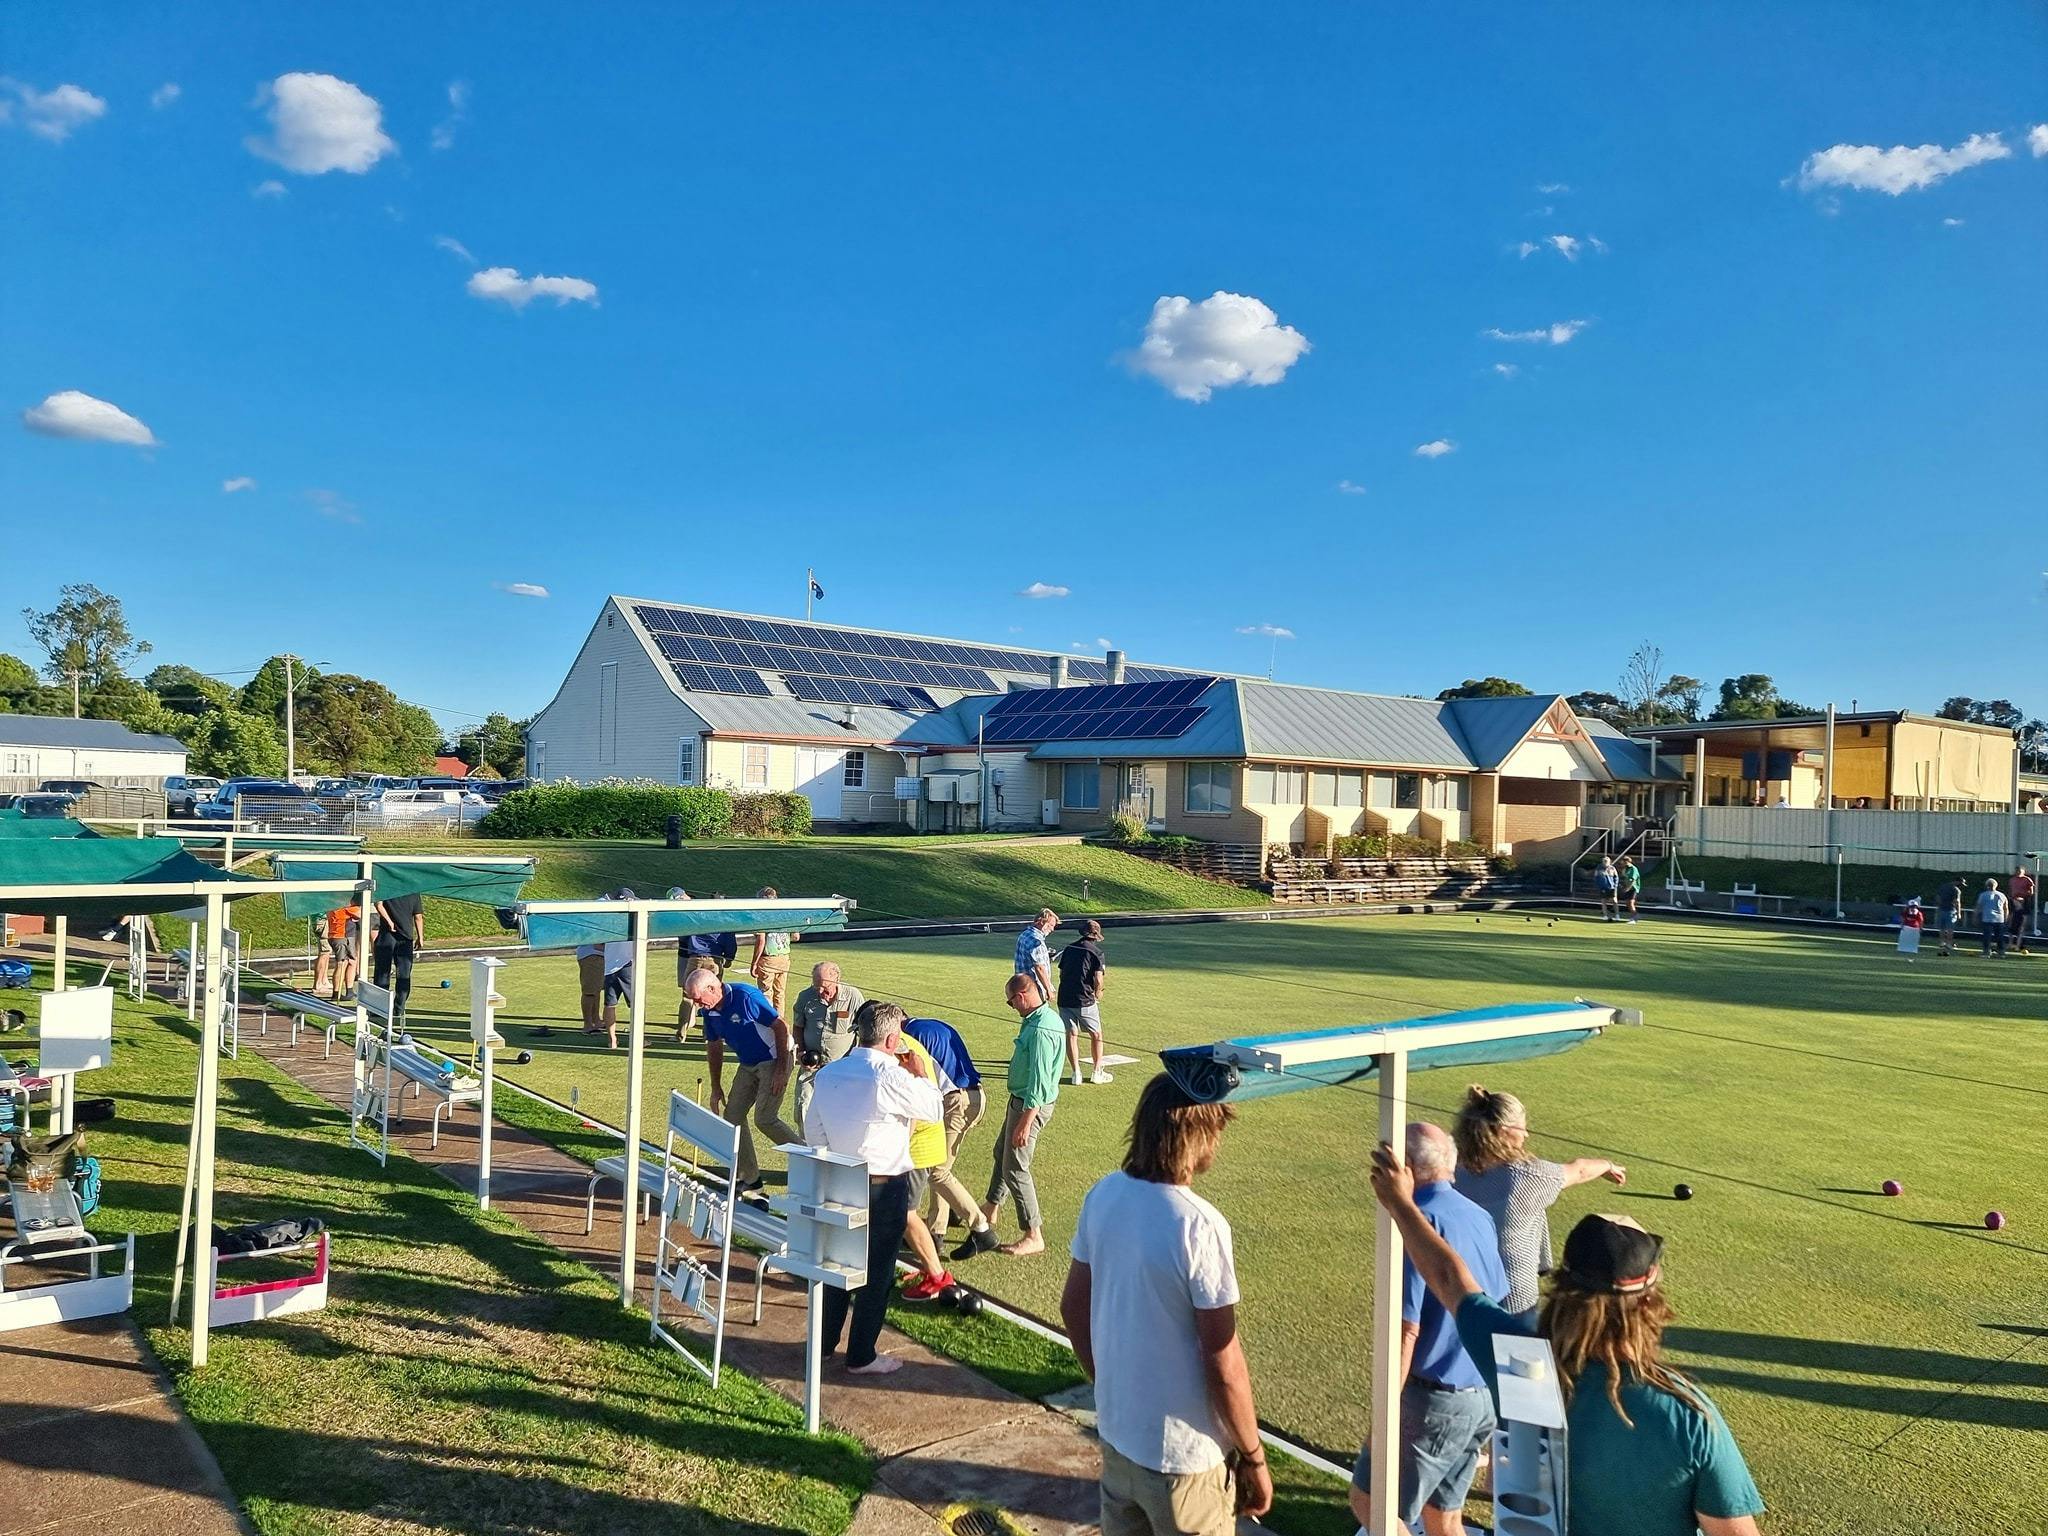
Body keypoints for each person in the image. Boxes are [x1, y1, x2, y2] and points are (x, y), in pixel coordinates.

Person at [1368, 1141, 1766, 1536]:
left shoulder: (1520, 1358)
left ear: (1563, 1285)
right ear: (1649, 1304)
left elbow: (1449, 1279)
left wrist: (1401, 1202)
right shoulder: (1688, 1414)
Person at [1060, 1073, 1272, 1534]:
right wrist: (1254, 1456)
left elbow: (1072, 1308)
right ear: (1199, 1134)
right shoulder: (1199, 1225)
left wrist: (1108, 1383)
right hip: (1186, 1458)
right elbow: (1223, 1360)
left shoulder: (1104, 1194)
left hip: (1119, 1441)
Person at [1348, 1123, 1506, 1536]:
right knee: (1444, 1516)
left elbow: (1406, 1332)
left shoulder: (1416, 1228)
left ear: (1406, 1167)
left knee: (1372, 1506)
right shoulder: (1478, 1216)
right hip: (1482, 1397)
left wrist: (1381, 1420)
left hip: (1434, 1403)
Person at [802, 1000, 943, 1375]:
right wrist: (919, 1074)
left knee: (837, 1267)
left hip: (839, 1176)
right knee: (876, 1271)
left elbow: (812, 1129)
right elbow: (933, 1108)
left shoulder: (830, 1073)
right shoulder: (891, 1075)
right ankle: (861, 1353)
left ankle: (824, 1343)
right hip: (883, 1183)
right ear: (893, 1039)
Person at [1452, 1085, 1625, 1327]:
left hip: (1460, 1290)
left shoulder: (1451, 1167)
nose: (1526, 1135)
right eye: (1522, 1128)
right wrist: (1607, 1165)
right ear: (1504, 1131)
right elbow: (1580, 1169)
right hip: (1514, 1296)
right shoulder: (1526, 1177)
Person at [967, 971, 1064, 1258]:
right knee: (1002, 1153)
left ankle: (1034, 1233)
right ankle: (991, 1207)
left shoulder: (1041, 1029)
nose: (1012, 1007)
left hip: (1029, 1104)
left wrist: (1026, 1120)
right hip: (1020, 1100)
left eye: (1011, 1002)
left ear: (1022, 996)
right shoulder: (1036, 1020)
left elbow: (1040, 1079)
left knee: (1016, 1167)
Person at [692, 966, 801, 1196]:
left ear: (712, 988)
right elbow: (714, 1045)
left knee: (765, 1118)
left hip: (774, 1058)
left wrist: (781, 1070)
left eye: (698, 999)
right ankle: (751, 1180)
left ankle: (810, 1160)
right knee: (732, 1117)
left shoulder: (746, 997)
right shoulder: (709, 1011)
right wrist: (715, 1086)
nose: (697, 1005)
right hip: (748, 1063)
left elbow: (780, 1027)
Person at [904, 1015, 996, 1254]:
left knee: (937, 1171)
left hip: (956, 1100)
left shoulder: (910, 1037)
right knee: (941, 1166)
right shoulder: (931, 1024)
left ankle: (980, 1227)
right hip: (972, 1096)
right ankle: (937, 1231)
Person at [892, 1024, 959, 1301]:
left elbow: (914, 1105)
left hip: (917, 1147)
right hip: (920, 1143)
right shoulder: (907, 1043)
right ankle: (926, 1268)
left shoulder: (901, 1049)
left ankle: (937, 1276)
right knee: (901, 1213)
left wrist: (899, 1145)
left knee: (905, 1213)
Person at [793, 961, 867, 1123]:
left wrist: (858, 1061)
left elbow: (863, 1031)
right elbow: (798, 1027)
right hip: (811, 1067)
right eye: (816, 986)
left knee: (842, 1113)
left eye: (824, 986)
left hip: (842, 1068)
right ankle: (806, 1145)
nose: (819, 991)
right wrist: (800, 1052)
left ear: (837, 979)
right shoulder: (805, 997)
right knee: (803, 1108)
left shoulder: (853, 996)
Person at [669, 886, 738, 1044]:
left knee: (688, 998)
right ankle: (708, 1035)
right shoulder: (725, 919)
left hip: (695, 958)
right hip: (715, 961)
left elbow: (685, 935)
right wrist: (729, 958)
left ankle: (681, 1034)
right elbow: (730, 943)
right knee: (712, 998)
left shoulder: (699, 914)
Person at [1057, 918, 1112, 1085]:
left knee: (1071, 1035)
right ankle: (1097, 1072)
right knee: (1096, 1035)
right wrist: (1098, 993)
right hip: (1084, 999)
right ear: (1095, 936)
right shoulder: (1097, 953)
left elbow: (1061, 973)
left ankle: (1076, 1073)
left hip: (1065, 997)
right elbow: (1098, 978)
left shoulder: (1069, 948)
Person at [372, 887, 424, 1021]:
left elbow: (379, 905)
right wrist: (420, 937)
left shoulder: (389, 889)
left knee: (382, 972)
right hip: (406, 937)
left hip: (386, 936)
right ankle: (399, 1008)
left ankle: (379, 1008)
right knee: (404, 974)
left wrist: (389, 922)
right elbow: (418, 917)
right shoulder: (414, 892)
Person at [749, 886, 799, 1014]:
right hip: (784, 957)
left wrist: (754, 962)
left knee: (766, 992)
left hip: (768, 958)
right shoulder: (786, 914)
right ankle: (780, 1020)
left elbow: (761, 941)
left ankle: (769, 1021)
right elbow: (796, 936)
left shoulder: (762, 917)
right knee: (780, 993)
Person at [598, 886, 636, 1049]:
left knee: (610, 1004)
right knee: (635, 1004)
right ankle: (637, 1040)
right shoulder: (634, 920)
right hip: (628, 965)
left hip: (609, 967)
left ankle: (612, 1040)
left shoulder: (609, 920)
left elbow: (598, 945)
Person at [313, 902, 358, 999]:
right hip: (342, 935)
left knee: (350, 962)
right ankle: (337, 993)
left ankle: (347, 991)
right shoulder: (343, 905)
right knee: (342, 963)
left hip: (336, 935)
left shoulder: (332, 904)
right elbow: (359, 913)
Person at [1014, 907, 1058, 1001]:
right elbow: (1039, 968)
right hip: (1034, 988)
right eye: (1051, 925)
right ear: (1042, 922)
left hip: (1022, 985)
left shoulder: (1025, 934)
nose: (1052, 929)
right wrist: (1048, 990)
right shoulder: (1036, 941)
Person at [1976, 877, 2009, 958]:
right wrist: (2006, 918)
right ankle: (2001, 952)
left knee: (1987, 936)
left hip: (1987, 918)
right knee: (1999, 936)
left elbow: (1978, 907)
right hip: (1999, 919)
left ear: (1987, 886)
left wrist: (1975, 916)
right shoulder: (2002, 895)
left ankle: (1986, 952)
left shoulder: (1983, 895)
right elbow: (2006, 908)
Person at [2008, 864, 2035, 954]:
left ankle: (2018, 945)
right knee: (2012, 924)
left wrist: (2023, 898)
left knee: (2021, 925)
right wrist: (2014, 899)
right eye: (2017, 871)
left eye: (2020, 871)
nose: (2018, 873)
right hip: (2014, 902)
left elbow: (2031, 892)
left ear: (2023, 871)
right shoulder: (2012, 880)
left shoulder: (2027, 880)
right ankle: (2010, 943)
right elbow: (2011, 891)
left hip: (2024, 902)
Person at [1935, 875, 1965, 957]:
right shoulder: (1956, 890)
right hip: (1951, 910)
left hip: (1941, 909)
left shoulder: (1943, 886)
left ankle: (1941, 942)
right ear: (1958, 882)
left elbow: (1938, 897)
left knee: (1941, 928)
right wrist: (1958, 913)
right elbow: (1957, 902)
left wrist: (1940, 905)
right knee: (1950, 929)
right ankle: (1949, 944)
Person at [1618, 855, 1643, 924]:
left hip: (1633, 888)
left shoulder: (1633, 869)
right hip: (1628, 887)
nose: (1623, 863)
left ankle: (1635, 918)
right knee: (1628, 903)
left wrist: (1628, 888)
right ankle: (1635, 916)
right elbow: (1624, 877)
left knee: (1631, 902)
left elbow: (1633, 880)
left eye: (1624, 862)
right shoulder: (1625, 869)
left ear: (1628, 862)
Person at [1593, 855, 1619, 922]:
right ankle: (1605, 915)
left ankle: (1617, 915)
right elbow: (1596, 877)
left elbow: (1616, 877)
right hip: (1603, 887)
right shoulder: (1599, 868)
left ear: (1609, 862)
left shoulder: (1612, 868)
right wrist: (1598, 885)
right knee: (1603, 901)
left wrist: (1615, 885)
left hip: (1611, 887)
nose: (1605, 862)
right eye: (1604, 861)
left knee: (1614, 901)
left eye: (1607, 861)